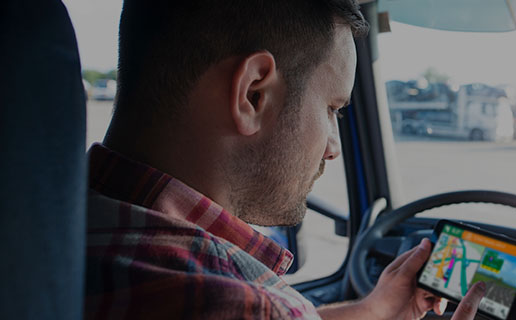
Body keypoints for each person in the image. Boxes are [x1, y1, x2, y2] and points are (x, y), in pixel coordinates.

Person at [84, 0, 485, 319]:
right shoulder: (253, 305)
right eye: (332, 108)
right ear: (253, 94)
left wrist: (374, 311)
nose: (333, 146)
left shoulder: (58, 218)